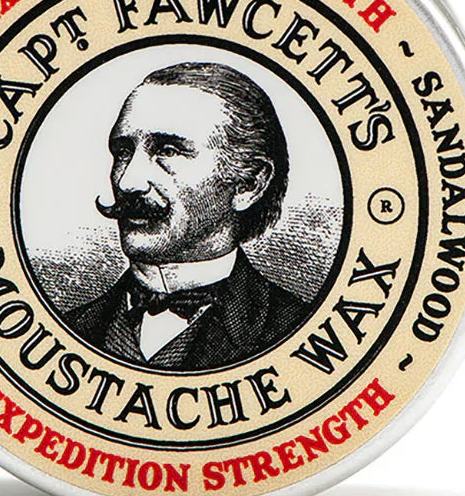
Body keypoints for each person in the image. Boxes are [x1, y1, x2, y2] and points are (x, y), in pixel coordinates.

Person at [64, 61, 310, 370]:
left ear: (248, 184)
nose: (128, 183)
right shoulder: (69, 328)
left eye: (167, 151)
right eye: (123, 152)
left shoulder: (296, 331)